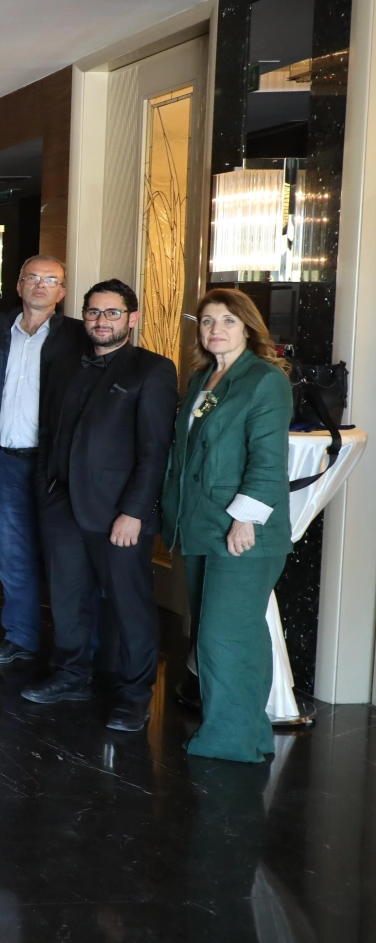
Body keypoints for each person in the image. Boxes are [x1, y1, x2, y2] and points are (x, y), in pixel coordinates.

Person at [21, 280, 177, 733]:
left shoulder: (153, 369)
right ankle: (71, 675)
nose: (101, 321)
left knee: (130, 604)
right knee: (67, 599)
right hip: (61, 504)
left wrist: (135, 511)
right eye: (93, 312)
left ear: (132, 318)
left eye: (112, 313)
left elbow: (155, 451)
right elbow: (48, 434)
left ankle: (136, 695)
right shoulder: (64, 364)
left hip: (118, 513)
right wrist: (45, 492)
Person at [162, 288, 293, 763]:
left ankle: (229, 742)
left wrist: (245, 519)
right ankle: (250, 735)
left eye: (228, 321)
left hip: (242, 531)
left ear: (248, 327)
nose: (216, 329)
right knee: (221, 633)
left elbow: (267, 459)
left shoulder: (265, 379)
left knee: (225, 636)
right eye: (207, 321)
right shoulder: (204, 378)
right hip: (200, 524)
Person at [0, 255, 88, 665]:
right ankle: (21, 637)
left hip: (54, 466)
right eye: (33, 278)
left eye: (51, 280)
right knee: (13, 554)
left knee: (63, 558)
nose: (41, 285)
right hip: (7, 461)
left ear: (62, 291)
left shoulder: (77, 336)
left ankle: (72, 649)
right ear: (19, 285)